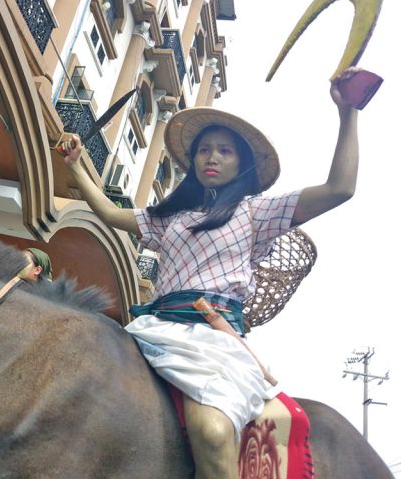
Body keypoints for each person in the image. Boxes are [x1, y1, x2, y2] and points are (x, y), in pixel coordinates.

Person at [60, 67, 364, 479]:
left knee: (214, 431)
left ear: (241, 163)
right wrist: (76, 166)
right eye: (205, 150)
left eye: (224, 150)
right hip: (151, 329)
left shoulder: (257, 212)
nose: (213, 157)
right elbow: (112, 212)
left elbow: (340, 189)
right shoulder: (169, 217)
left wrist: (349, 114)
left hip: (211, 340)